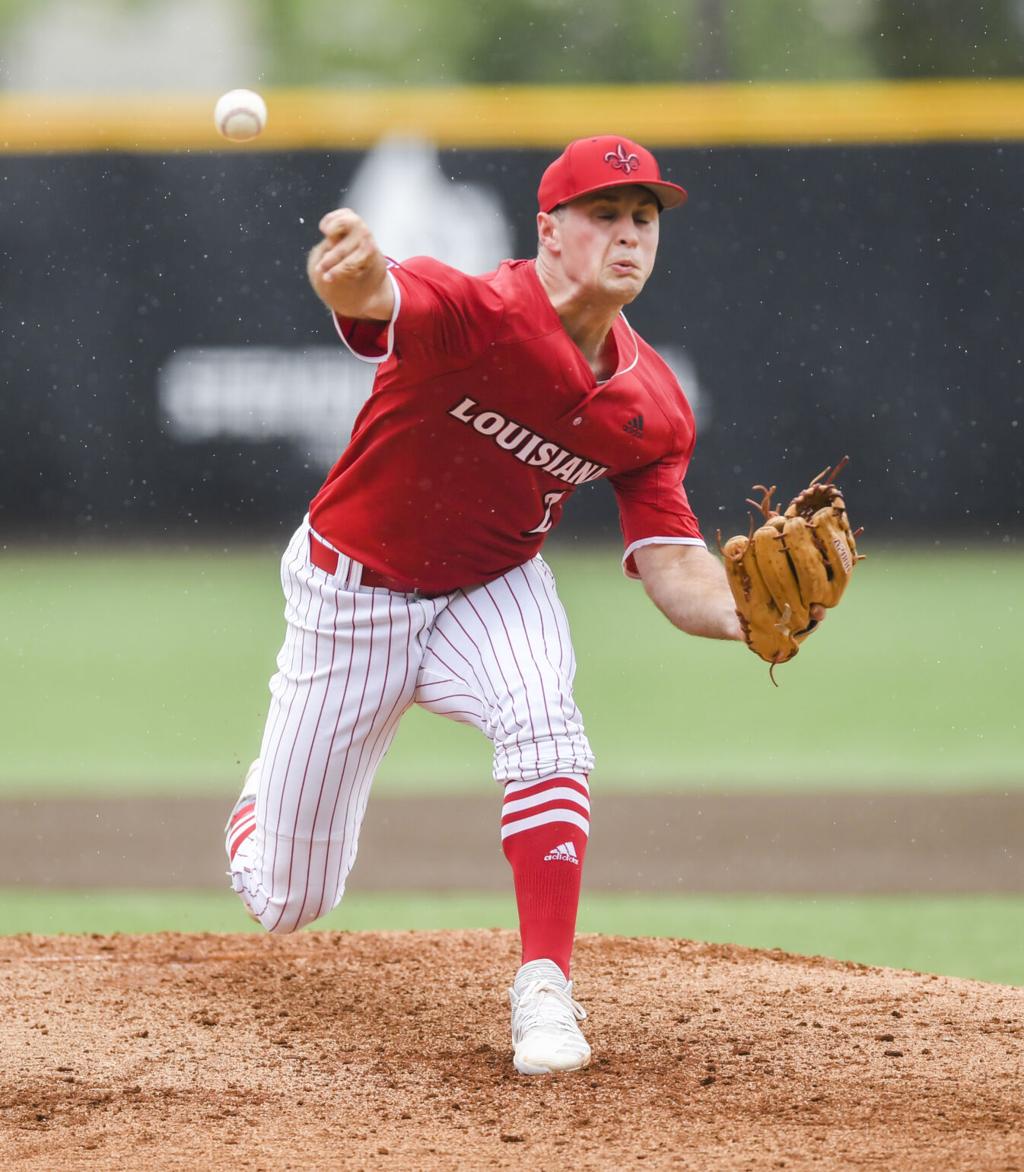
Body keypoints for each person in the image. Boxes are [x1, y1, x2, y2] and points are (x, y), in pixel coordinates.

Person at [225, 135, 747, 1076]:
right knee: (287, 900)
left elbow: (674, 568)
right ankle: (263, 807)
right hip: (353, 595)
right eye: (604, 215)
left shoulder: (653, 405)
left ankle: (544, 985)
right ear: (548, 231)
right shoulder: (480, 310)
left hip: (492, 585)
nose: (629, 236)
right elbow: (378, 296)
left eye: (644, 219)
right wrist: (344, 271)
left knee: (547, 725)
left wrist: (750, 613)